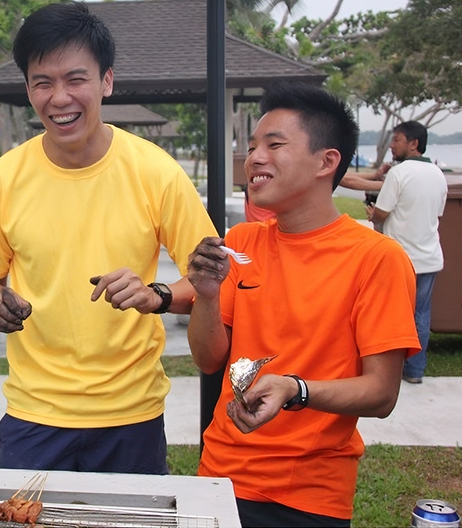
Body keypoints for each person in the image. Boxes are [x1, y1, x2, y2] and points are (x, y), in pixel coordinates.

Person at [0, 2, 216, 474]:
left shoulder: (155, 172)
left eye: (76, 79)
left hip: (131, 414)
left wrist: (155, 293)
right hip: (33, 413)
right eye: (43, 82)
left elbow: (208, 280)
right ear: (29, 89)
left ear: (106, 82)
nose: (60, 98)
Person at [187, 82, 420, 527]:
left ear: (326, 161)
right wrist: (207, 294)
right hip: (219, 472)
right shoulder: (241, 242)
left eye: (275, 145)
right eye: (253, 146)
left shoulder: (376, 258)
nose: (254, 157)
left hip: (308, 494)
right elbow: (209, 357)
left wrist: (296, 389)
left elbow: (382, 393)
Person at [368, 121, 447, 385]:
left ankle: (387, 371)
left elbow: (381, 212)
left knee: (392, 314)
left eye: (397, 140)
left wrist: (374, 215)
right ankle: (415, 370)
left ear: (414, 143)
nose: (392, 145)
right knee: (421, 314)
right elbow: (437, 214)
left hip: (401, 258)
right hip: (430, 257)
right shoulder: (437, 174)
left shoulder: (399, 173)